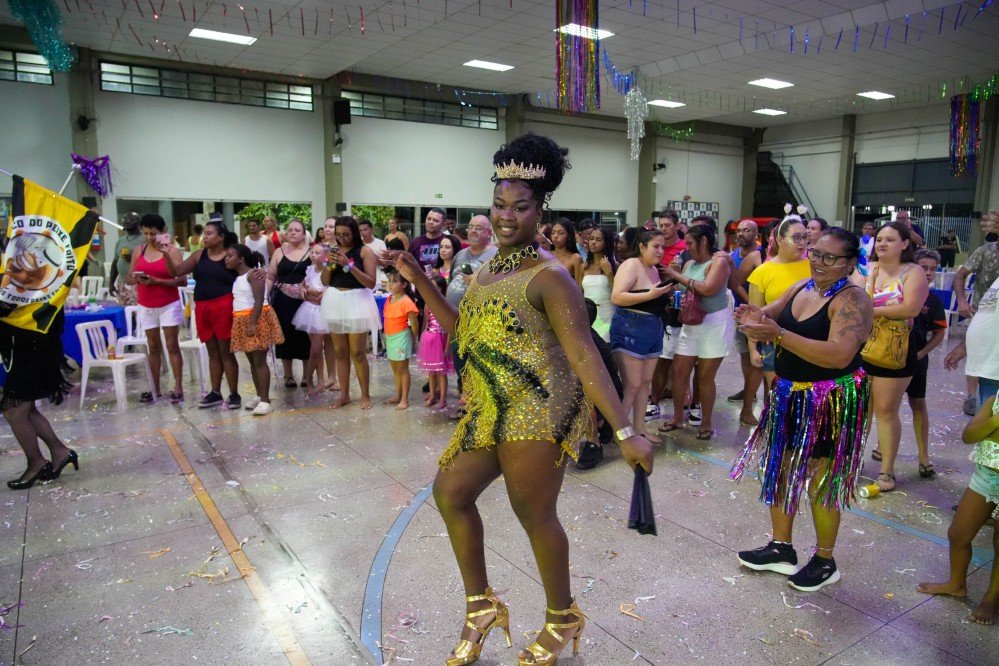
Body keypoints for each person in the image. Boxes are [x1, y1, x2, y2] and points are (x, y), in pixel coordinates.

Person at [382, 132, 653, 666]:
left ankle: (561, 617)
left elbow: (586, 357)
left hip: (538, 408)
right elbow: (463, 331)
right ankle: (481, 606)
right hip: (490, 406)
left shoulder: (550, 277)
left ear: (540, 210)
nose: (507, 216)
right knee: (450, 493)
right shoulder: (488, 268)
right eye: (499, 205)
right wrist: (418, 279)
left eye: (520, 207)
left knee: (533, 513)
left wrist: (625, 431)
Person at [732, 228, 873, 592]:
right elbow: (769, 314)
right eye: (815, 253)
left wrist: (778, 335)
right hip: (789, 395)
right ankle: (782, 548)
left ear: (849, 263)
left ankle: (825, 561)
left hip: (831, 400)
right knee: (780, 469)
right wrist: (753, 315)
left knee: (822, 482)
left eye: (830, 257)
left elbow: (839, 354)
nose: (819, 262)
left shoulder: (853, 299)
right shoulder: (802, 287)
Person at [916, 390, 999, 625]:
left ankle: (991, 599)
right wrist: (995, 422)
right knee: (958, 534)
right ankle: (956, 584)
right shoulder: (994, 400)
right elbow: (969, 435)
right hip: (985, 476)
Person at [864, 221, 929, 492]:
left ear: (905, 244)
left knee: (885, 409)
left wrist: (871, 311)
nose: (882, 243)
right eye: (880, 239)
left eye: (890, 239)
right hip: (864, 345)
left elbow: (910, 308)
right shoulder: (869, 269)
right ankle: (851, 461)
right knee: (861, 410)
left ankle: (887, 470)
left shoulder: (913, 272)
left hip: (896, 349)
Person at [871, 249, 946, 477]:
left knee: (918, 404)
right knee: (882, 407)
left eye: (933, 269)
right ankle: (881, 445)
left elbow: (939, 333)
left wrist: (922, 353)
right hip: (886, 354)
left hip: (915, 358)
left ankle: (923, 456)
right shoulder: (893, 292)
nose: (928, 272)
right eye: (924, 267)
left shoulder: (933, 301)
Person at [657, 224, 733, 439]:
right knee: (679, 371)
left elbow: (707, 289)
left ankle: (706, 423)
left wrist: (677, 275)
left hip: (714, 324)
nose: (687, 247)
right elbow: (682, 289)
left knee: (705, 376)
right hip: (690, 323)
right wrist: (671, 284)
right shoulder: (689, 263)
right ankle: (677, 417)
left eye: (690, 243)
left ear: (704, 241)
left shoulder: (719, 263)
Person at [160, 218, 241, 409]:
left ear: (221, 237)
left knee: (226, 351)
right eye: (204, 233)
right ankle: (215, 392)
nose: (205, 237)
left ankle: (234, 393)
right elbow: (176, 271)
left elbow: (246, 271)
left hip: (224, 305)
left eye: (209, 233)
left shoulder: (230, 255)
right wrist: (165, 254)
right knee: (212, 351)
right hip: (203, 307)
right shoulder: (199, 255)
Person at [1, 307, 76, 489]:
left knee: (14, 411)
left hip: (32, 343)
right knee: (26, 410)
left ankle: (37, 463)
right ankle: (60, 452)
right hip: (29, 342)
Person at [610, 228, 672, 445]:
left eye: (662, 247)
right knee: (633, 385)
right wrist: (650, 294)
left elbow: (653, 300)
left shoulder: (654, 270)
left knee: (645, 382)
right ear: (642, 246)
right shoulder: (631, 265)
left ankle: (639, 428)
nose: (660, 251)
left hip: (653, 328)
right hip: (631, 328)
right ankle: (619, 432)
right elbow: (617, 297)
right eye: (655, 246)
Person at [746, 215, 811, 392]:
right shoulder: (763, 272)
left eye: (805, 237)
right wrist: (753, 349)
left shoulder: (814, 267)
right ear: (780, 240)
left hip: (809, 339)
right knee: (778, 395)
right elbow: (754, 315)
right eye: (796, 237)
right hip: (774, 342)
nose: (802, 242)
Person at [320, 216, 380, 409]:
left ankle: (365, 395)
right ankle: (344, 395)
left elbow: (370, 282)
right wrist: (329, 264)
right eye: (338, 234)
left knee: (358, 352)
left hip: (357, 300)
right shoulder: (332, 250)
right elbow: (324, 281)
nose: (341, 238)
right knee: (340, 351)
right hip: (335, 300)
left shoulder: (365, 251)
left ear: (354, 233)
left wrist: (349, 264)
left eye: (345, 235)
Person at [126, 213, 186, 403]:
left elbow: (182, 280)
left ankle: (178, 386)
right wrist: (135, 278)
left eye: (153, 233)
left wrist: (157, 281)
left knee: (172, 345)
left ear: (163, 232)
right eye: (146, 233)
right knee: (152, 347)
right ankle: (155, 388)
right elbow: (128, 277)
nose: (150, 237)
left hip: (168, 303)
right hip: (146, 304)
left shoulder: (172, 251)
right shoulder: (139, 250)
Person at [445, 215, 496, 417]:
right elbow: (451, 279)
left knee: (476, 362)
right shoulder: (460, 255)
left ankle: (474, 406)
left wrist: (476, 285)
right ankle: (467, 399)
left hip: (479, 320)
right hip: (456, 318)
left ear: (489, 232)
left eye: (479, 228)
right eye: (471, 227)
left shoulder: (495, 255)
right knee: (460, 359)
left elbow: (500, 289)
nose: (473, 230)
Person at [225, 244, 283, 415]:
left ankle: (265, 400)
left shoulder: (253, 275)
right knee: (252, 361)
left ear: (241, 258)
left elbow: (259, 300)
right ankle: (259, 395)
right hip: (241, 318)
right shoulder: (238, 277)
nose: (226, 259)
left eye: (230, 255)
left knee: (259, 361)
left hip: (255, 319)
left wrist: (252, 323)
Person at [953, 210, 999, 415]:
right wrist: (962, 300)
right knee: (981, 369)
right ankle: (973, 397)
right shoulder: (986, 251)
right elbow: (960, 275)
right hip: (984, 317)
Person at [575, 298, 624, 470]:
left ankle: (593, 442)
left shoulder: (588, 343)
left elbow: (591, 383)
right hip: (605, 396)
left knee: (579, 393)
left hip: (604, 397)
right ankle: (602, 424)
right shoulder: (585, 335)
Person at [267, 219, 312, 387]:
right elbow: (271, 276)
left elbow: (318, 274)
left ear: (304, 234)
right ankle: (288, 375)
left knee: (305, 337)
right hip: (283, 301)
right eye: (290, 229)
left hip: (305, 300)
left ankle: (307, 375)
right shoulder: (278, 252)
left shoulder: (311, 252)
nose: (293, 232)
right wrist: (265, 297)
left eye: (297, 230)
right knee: (284, 336)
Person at [728, 219, 764, 424]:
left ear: (756, 234)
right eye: (739, 230)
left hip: (758, 313)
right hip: (738, 312)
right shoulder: (732, 256)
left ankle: (755, 397)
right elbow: (734, 284)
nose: (741, 233)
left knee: (758, 357)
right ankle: (748, 389)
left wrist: (754, 305)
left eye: (747, 230)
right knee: (744, 354)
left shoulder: (760, 256)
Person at [292, 244, 331, 396]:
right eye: (312, 252)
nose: (313, 255)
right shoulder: (310, 269)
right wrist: (305, 290)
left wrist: (325, 293)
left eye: (317, 253)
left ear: (325, 256)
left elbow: (331, 286)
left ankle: (308, 378)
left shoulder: (329, 270)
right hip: (309, 310)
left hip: (323, 311)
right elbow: (302, 285)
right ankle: (319, 380)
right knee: (316, 349)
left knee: (316, 348)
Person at [382, 270, 420, 409]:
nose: (390, 284)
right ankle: (398, 395)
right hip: (390, 338)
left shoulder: (406, 302)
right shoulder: (389, 299)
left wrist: (413, 340)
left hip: (401, 338)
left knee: (402, 369)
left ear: (404, 284)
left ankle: (404, 399)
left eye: (395, 281)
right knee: (395, 369)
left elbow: (415, 324)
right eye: (389, 281)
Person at [418, 276, 454, 410]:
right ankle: (433, 395)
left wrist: (447, 347)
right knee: (431, 372)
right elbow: (426, 321)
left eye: (435, 287)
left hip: (441, 339)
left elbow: (450, 327)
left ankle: (443, 399)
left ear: (441, 288)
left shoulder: (445, 304)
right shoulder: (428, 303)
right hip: (429, 339)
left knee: (441, 372)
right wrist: (422, 338)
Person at [579, 227, 616, 340]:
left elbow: (617, 293)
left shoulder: (615, 265)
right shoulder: (584, 266)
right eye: (591, 239)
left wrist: (609, 273)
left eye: (598, 240)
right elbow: (579, 293)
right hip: (588, 316)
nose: (593, 242)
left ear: (606, 243)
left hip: (607, 315)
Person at [108, 212, 143, 306]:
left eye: (131, 219)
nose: (127, 221)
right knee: (124, 311)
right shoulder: (120, 241)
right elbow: (115, 262)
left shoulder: (145, 239)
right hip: (122, 283)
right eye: (125, 219)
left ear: (139, 222)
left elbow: (152, 260)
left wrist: (134, 259)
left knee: (138, 311)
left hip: (140, 283)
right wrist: (111, 283)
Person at [410, 208, 446, 272]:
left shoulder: (449, 241)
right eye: (428, 219)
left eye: (435, 221)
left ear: (443, 224)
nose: (431, 222)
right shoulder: (415, 242)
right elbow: (409, 265)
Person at [549, 219, 583, 283]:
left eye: (561, 233)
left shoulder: (575, 258)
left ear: (569, 236)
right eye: (553, 233)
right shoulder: (546, 255)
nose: (555, 236)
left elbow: (579, 286)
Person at [358, 219, 388, 288]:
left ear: (371, 230)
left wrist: (372, 255)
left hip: (379, 276)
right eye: (360, 231)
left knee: (385, 291)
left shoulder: (380, 243)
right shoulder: (357, 244)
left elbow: (385, 265)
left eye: (365, 230)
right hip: (362, 277)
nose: (363, 233)